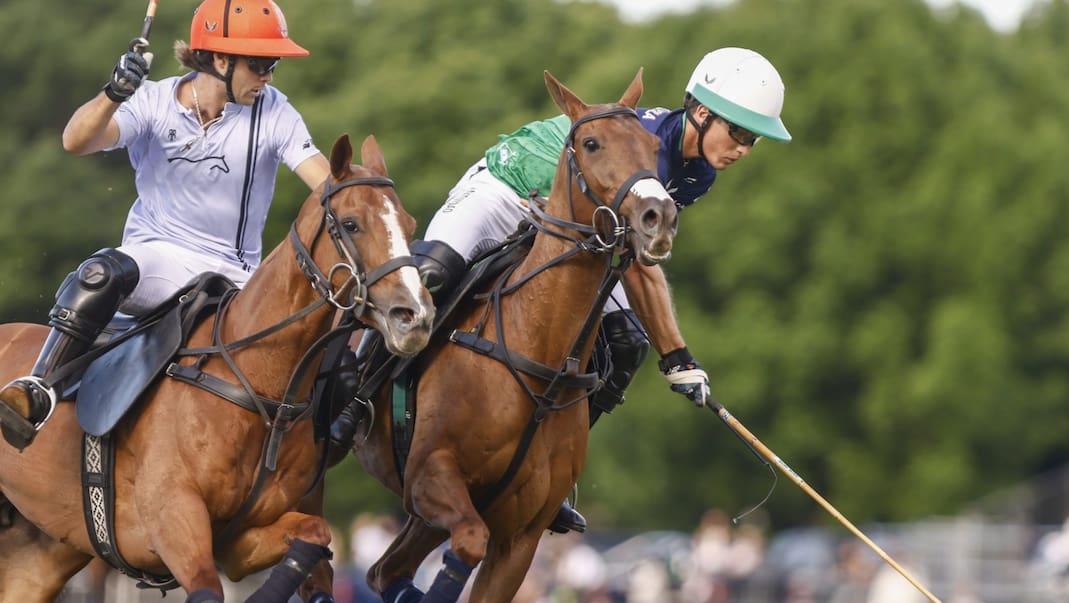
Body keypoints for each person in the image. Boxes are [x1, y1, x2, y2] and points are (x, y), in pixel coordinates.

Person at [332, 48, 791, 535]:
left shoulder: (698, 174)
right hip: (506, 190)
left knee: (626, 343)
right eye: (739, 132)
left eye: (753, 139)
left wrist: (673, 355)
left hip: (565, 230)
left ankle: (544, 466)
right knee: (431, 277)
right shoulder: (646, 146)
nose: (744, 148)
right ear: (700, 111)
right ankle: (354, 398)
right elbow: (639, 269)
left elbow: (636, 255)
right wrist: (676, 355)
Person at [0, 0, 330, 451]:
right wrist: (114, 93)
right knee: (100, 272)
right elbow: (75, 141)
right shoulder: (152, 100)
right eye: (260, 64)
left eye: (273, 65)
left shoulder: (275, 111)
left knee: (328, 329)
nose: (269, 76)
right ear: (220, 59)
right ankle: (38, 388)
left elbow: (326, 184)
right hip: (158, 258)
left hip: (235, 279)